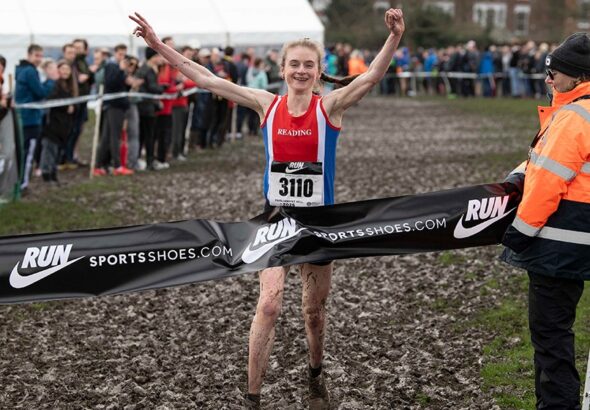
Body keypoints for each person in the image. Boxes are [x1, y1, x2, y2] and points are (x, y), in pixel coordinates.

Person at [130, 8, 405, 409]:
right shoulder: (266, 105)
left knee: (313, 311)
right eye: (294, 64)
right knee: (270, 303)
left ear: (317, 70)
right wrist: (158, 46)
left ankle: (315, 372)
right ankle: (253, 397)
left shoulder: (329, 108)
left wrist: (394, 37)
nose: (300, 71)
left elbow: (371, 77)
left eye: (308, 65)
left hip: (320, 224)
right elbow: (207, 79)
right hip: (276, 219)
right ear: (282, 68)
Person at [501, 32, 590, 410]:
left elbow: (549, 181)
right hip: (579, 245)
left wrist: (519, 235)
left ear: (576, 76)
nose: (549, 79)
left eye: (554, 73)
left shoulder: (573, 117)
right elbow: (545, 164)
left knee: (551, 338)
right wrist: (520, 173)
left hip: (560, 247)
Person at [15, 44, 58, 191]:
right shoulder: (29, 71)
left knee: (22, 152)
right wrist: (51, 81)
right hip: (30, 119)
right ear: (29, 55)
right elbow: (40, 92)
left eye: (41, 56)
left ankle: (18, 182)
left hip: (23, 117)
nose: (39, 59)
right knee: (28, 153)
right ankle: (23, 184)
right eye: (36, 55)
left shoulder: (21, 69)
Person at [39, 60, 78, 184]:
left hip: (65, 124)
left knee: (57, 150)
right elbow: (51, 100)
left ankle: (53, 172)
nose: (66, 72)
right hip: (53, 123)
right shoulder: (54, 85)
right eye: (63, 69)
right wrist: (65, 106)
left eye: (68, 69)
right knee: (49, 148)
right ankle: (46, 173)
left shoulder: (72, 87)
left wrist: (72, 107)